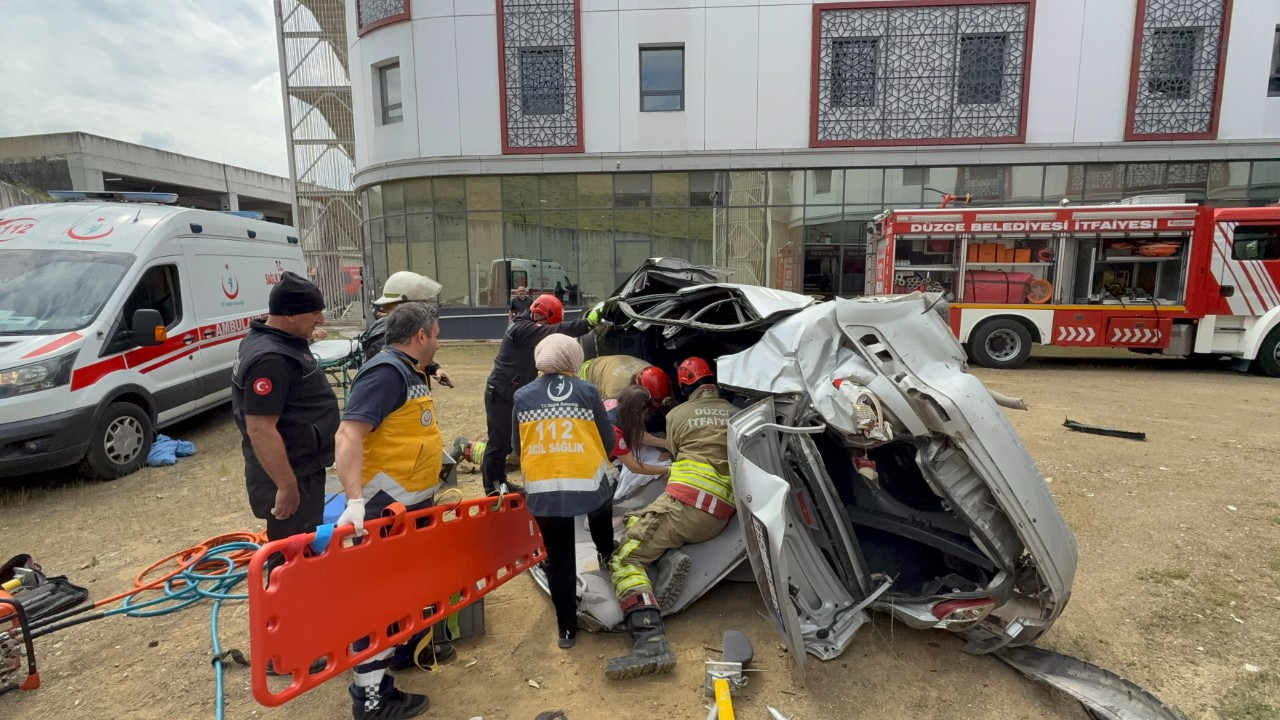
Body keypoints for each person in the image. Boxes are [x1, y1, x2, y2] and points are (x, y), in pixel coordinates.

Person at [333, 302, 448, 719]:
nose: (439, 343)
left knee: (402, 597)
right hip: (386, 513)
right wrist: (355, 501)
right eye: (436, 335)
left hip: (408, 510)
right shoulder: (386, 373)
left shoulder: (408, 369)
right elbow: (348, 433)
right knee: (380, 604)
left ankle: (398, 655)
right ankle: (371, 699)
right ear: (421, 336)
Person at [605, 357, 735, 680]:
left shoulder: (677, 415)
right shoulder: (737, 414)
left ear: (684, 388)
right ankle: (667, 557)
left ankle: (650, 639)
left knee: (623, 557)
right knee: (638, 519)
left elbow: (673, 454)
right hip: (719, 515)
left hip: (686, 506)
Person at [512, 334, 616, 650]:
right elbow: (608, 440)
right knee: (603, 504)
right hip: (588, 484)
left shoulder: (522, 396)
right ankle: (605, 550)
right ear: (574, 358)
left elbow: (518, 447)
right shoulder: (587, 391)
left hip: (544, 488)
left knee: (559, 558)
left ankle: (566, 630)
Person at [231, 271, 338, 542]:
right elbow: (260, 428)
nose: (321, 319)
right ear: (289, 314)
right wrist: (286, 485)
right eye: (314, 312)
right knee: (293, 551)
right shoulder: (271, 359)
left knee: (303, 545)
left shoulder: (276, 340)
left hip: (301, 465)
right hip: (292, 472)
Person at [477, 294, 603, 496]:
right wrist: (588, 323)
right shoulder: (520, 328)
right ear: (538, 316)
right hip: (501, 393)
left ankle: (501, 482)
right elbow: (553, 331)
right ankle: (492, 489)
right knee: (498, 443)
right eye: (549, 323)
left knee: (509, 443)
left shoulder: (528, 323)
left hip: (513, 392)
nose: (549, 328)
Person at [360, 271, 452, 388]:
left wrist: (435, 368)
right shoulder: (383, 339)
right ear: (406, 306)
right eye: (421, 303)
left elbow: (412, 356)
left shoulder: (401, 330)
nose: (425, 308)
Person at [579, 355, 673, 450]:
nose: (655, 406)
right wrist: (667, 443)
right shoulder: (617, 391)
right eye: (653, 401)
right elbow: (631, 431)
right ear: (639, 388)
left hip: (611, 367)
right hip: (588, 375)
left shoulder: (655, 374)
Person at [606, 386, 672, 499]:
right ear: (636, 412)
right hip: (587, 462)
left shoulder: (615, 403)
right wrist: (668, 470)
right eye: (645, 414)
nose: (645, 418)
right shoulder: (614, 432)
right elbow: (634, 467)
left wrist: (669, 444)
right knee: (614, 481)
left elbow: (636, 434)